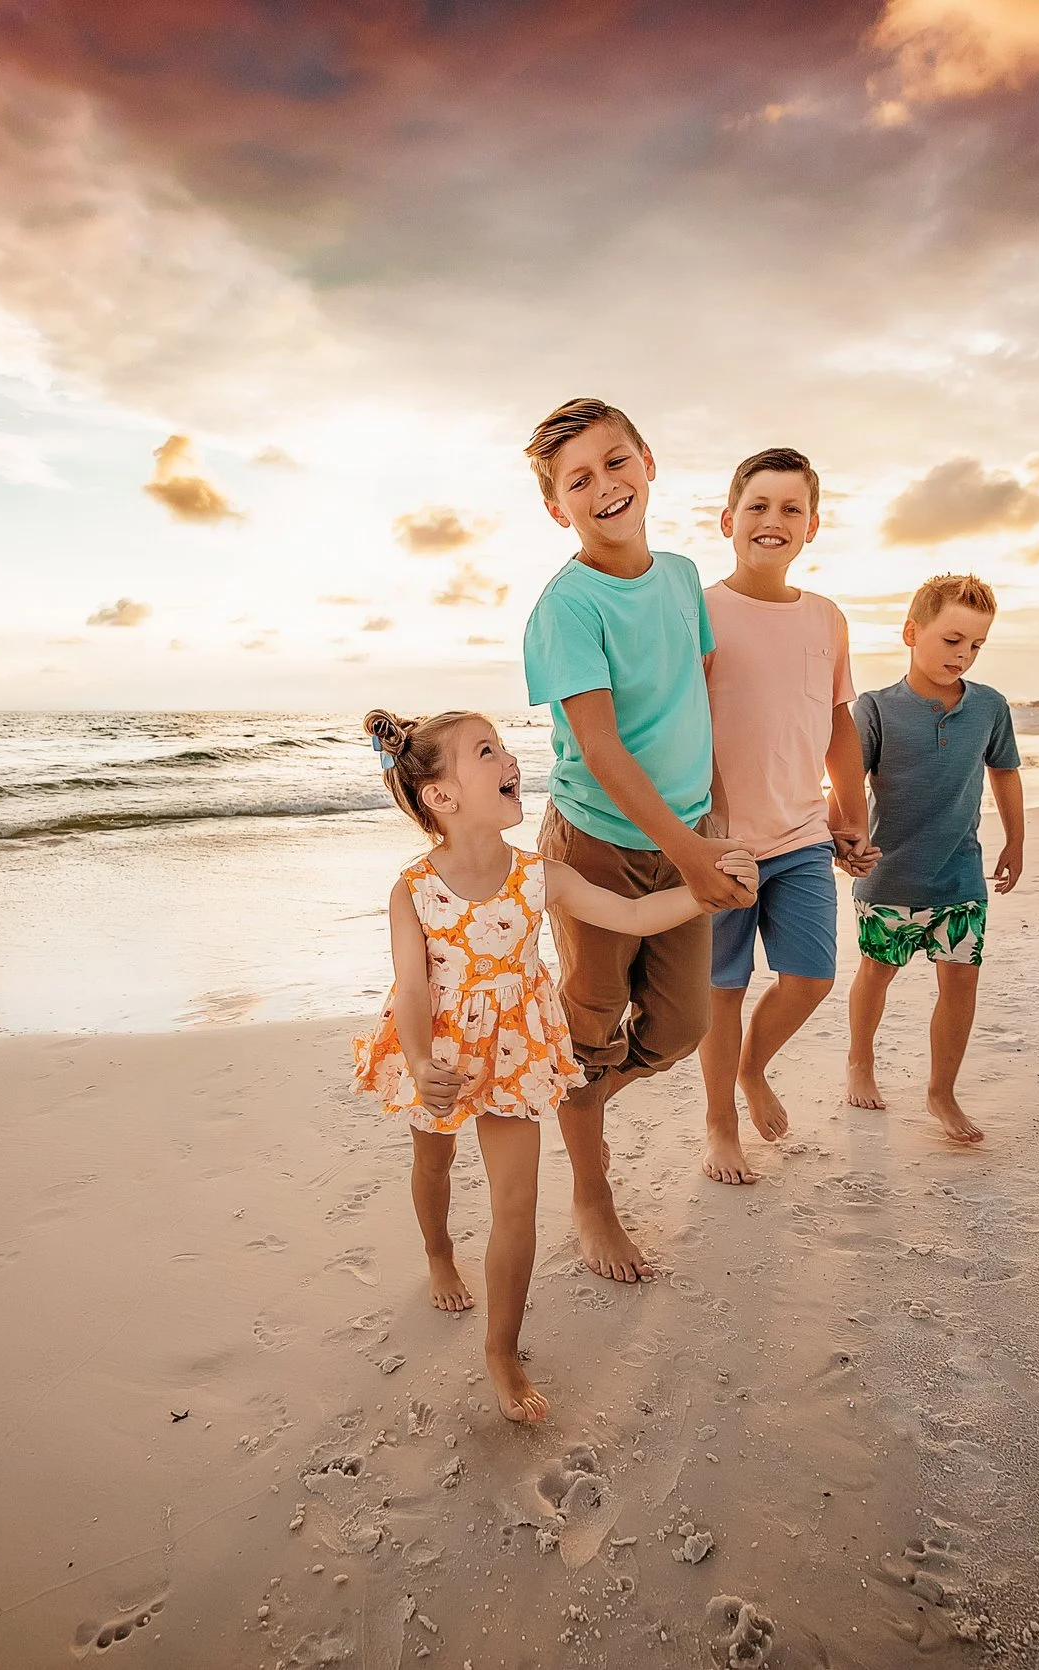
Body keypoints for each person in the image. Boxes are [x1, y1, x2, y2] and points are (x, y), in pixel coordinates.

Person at [352, 708, 755, 1422]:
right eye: (485, 751)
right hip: (439, 1052)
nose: (508, 758)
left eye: (503, 746)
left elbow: (630, 917)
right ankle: (439, 1251)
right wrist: (418, 1059)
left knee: (515, 1206)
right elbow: (412, 986)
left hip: (513, 1053)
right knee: (435, 1167)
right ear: (440, 797)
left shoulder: (542, 875)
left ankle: (501, 1353)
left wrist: (710, 888)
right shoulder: (411, 889)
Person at [519, 397, 757, 1283]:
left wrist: (716, 824)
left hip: (689, 832)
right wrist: (690, 854)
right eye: (579, 481)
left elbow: (696, 708)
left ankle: (578, 1096)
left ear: (648, 462)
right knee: (588, 1028)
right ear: (558, 509)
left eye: (616, 463)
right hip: (596, 848)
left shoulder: (685, 577)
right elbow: (604, 750)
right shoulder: (568, 607)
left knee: (684, 1026)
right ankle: (593, 1192)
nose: (605, 487)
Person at [695, 446, 874, 1184]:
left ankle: (752, 1068)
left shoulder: (827, 619)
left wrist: (852, 816)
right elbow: (683, 724)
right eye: (759, 507)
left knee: (811, 977)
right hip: (722, 842)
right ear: (728, 520)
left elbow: (837, 724)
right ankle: (719, 1123)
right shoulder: (700, 611)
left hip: (802, 832)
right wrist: (702, 826)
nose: (774, 521)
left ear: (813, 527)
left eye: (791, 509)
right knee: (722, 988)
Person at [843, 574, 1025, 1144]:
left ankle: (941, 1092)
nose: (963, 655)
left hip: (960, 876)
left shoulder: (990, 707)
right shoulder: (873, 709)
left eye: (975, 645)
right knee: (877, 973)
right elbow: (844, 786)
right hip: (888, 877)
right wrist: (843, 838)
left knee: (961, 983)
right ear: (911, 632)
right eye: (951, 641)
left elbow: (1005, 772)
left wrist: (1015, 840)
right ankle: (859, 1061)